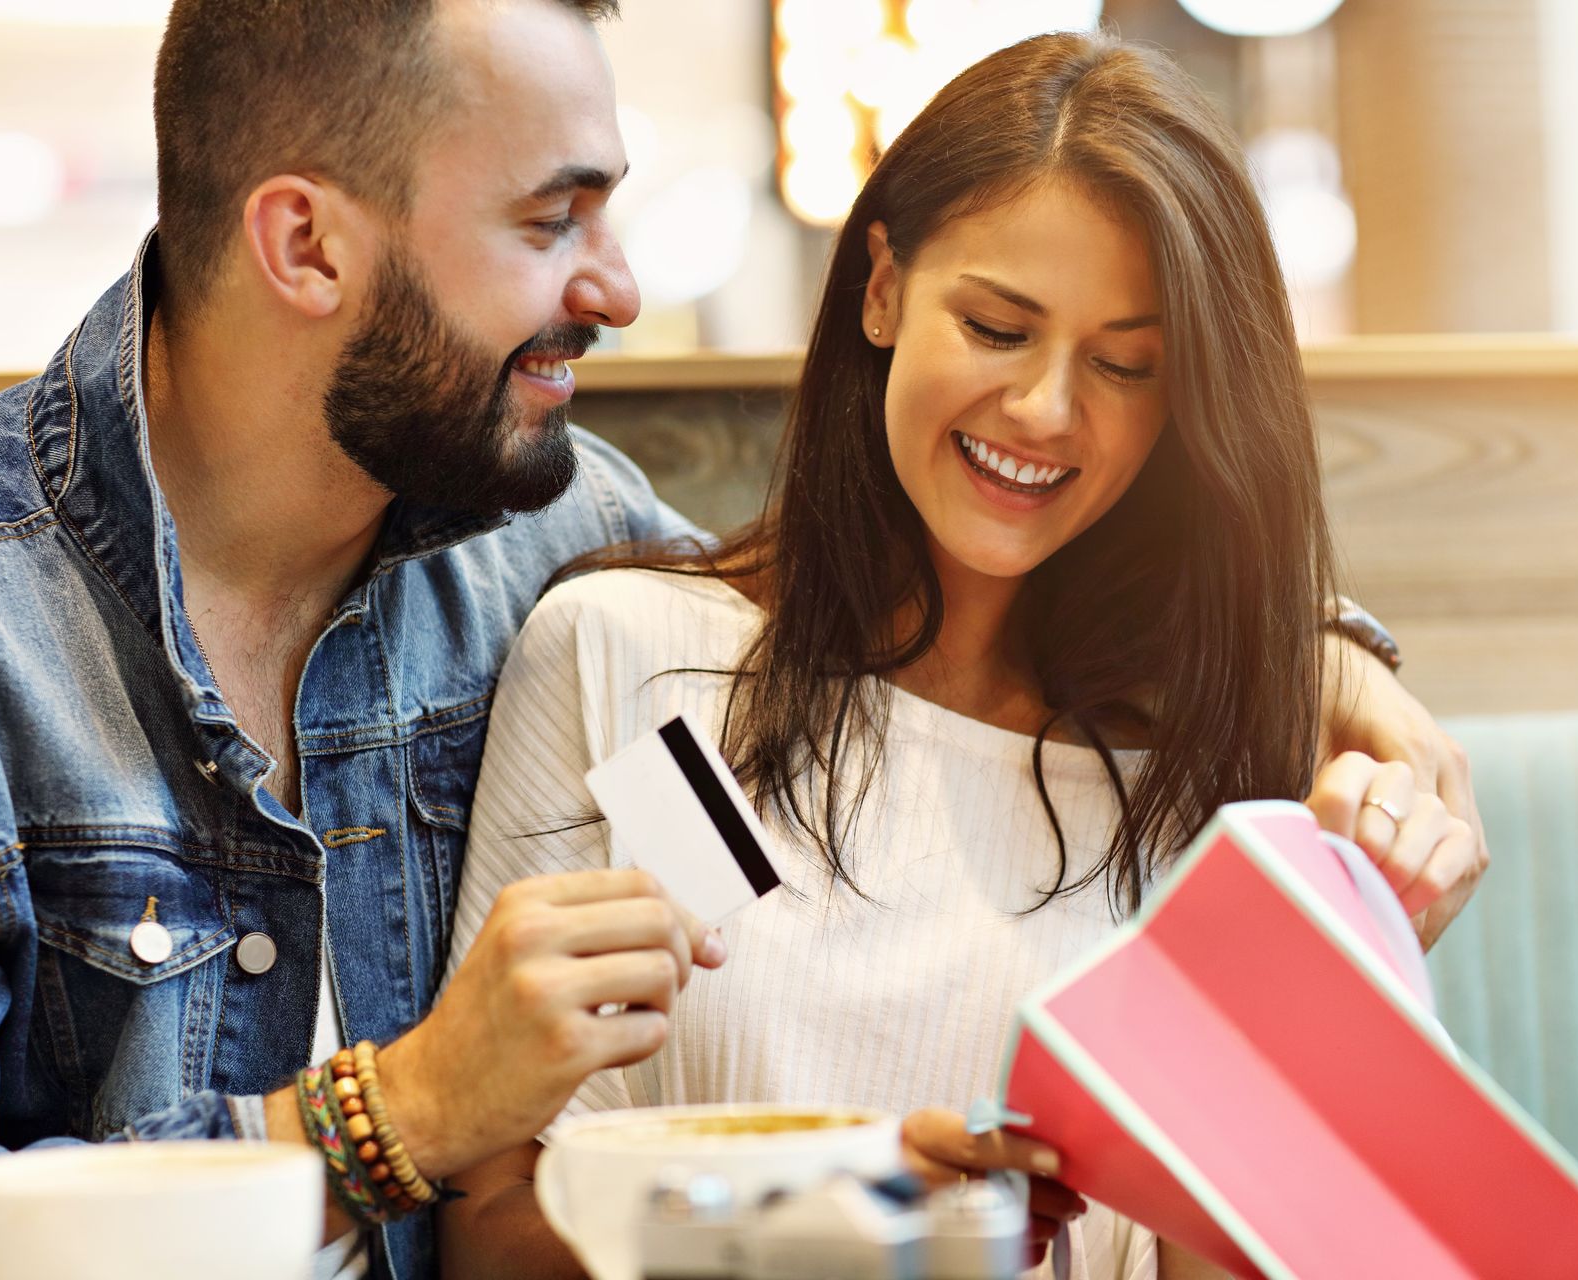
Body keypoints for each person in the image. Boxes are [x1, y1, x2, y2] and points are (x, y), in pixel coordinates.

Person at [0, 4, 1476, 1280]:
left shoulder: (540, 528)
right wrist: (400, 1115)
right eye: (552, 219)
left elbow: (828, 584)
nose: (621, 287)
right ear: (307, 246)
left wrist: (1316, 660)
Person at [441, 28, 1484, 1280]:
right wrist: (828, 1225)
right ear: (881, 287)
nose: (1047, 410)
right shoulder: (640, 669)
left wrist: (1339, 980)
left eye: (1125, 363)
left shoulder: (1225, 767)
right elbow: (491, 1222)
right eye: (997, 327)